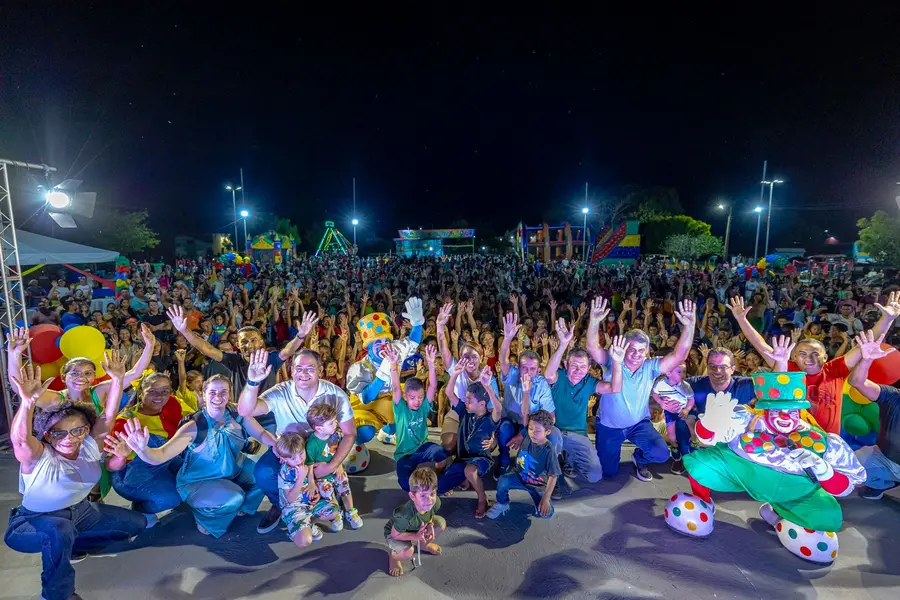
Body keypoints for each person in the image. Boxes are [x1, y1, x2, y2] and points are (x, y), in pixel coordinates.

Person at [5, 362, 145, 600]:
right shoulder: (39, 456)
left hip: (81, 511)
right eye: (59, 433)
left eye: (77, 431)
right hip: (33, 522)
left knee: (136, 523)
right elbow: (20, 441)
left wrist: (118, 381)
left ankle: (73, 545)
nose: (69, 439)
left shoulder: (90, 445)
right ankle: (56, 594)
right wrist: (27, 403)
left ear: (86, 429)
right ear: (48, 435)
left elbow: (109, 417)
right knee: (59, 530)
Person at [111, 375, 275, 537]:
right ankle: (205, 520)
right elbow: (160, 455)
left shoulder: (237, 413)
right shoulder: (194, 427)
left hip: (231, 467)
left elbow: (261, 433)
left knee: (262, 474)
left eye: (223, 392)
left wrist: (279, 446)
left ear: (230, 394)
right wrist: (141, 449)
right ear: (203, 394)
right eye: (212, 392)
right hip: (201, 478)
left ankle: (242, 508)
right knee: (234, 497)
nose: (218, 397)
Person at [727, 292, 900, 435]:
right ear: (793, 356)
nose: (809, 357)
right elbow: (761, 346)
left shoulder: (835, 369)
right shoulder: (787, 367)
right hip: (792, 440)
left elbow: (867, 344)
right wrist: (742, 320)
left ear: (825, 358)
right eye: (802, 353)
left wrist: (887, 319)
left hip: (826, 442)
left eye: (815, 353)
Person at [238, 349, 356, 534]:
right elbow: (245, 411)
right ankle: (281, 504)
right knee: (263, 472)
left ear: (320, 370)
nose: (303, 373)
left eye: (310, 368)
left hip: (321, 448)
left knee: (330, 485)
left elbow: (349, 433)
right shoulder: (280, 392)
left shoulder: (335, 394)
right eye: (299, 368)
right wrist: (253, 382)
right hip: (291, 448)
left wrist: (333, 464)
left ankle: (321, 503)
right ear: (292, 370)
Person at [586, 296, 697, 481]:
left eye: (641, 350)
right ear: (624, 348)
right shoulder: (611, 360)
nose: (637, 354)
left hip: (638, 424)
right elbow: (591, 346)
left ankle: (640, 458)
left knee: (661, 454)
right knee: (608, 473)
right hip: (610, 427)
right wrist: (595, 320)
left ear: (647, 351)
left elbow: (679, 356)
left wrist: (690, 326)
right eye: (632, 349)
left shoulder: (650, 366)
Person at [543, 313, 626, 484]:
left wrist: (617, 362)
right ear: (566, 365)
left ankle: (569, 460)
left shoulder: (589, 382)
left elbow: (615, 388)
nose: (578, 370)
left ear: (588, 368)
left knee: (595, 476)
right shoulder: (560, 376)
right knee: (552, 444)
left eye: (582, 367)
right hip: (554, 430)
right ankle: (555, 478)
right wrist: (563, 345)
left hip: (577, 434)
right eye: (573, 365)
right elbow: (548, 374)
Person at [107, 372, 196, 524]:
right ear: (141, 393)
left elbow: (197, 418)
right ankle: (141, 510)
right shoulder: (125, 422)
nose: (159, 396)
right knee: (171, 499)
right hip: (129, 474)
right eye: (152, 391)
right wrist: (121, 456)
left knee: (197, 477)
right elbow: (110, 466)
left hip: (165, 460)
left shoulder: (173, 403)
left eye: (165, 391)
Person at [497, 312, 561, 477]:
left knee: (552, 434)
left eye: (532, 369)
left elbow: (550, 418)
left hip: (531, 426)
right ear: (517, 368)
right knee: (504, 429)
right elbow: (503, 361)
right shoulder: (512, 376)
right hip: (511, 421)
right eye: (524, 367)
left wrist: (524, 433)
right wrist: (507, 339)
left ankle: (544, 467)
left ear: (539, 371)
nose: (528, 372)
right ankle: (504, 461)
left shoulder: (542, 384)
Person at [439, 362, 503, 517]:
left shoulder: (489, 419)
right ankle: (465, 478)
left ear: (481, 404)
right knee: (440, 487)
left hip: (480, 460)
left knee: (470, 470)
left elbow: (498, 409)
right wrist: (454, 374)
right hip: (462, 459)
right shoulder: (464, 412)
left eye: (469, 400)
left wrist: (488, 387)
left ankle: (482, 498)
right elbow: (449, 393)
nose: (465, 402)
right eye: (466, 399)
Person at [435, 302, 500, 454]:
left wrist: (491, 434)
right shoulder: (457, 370)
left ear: (481, 357)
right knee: (448, 446)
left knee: (487, 445)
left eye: (474, 356)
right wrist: (439, 327)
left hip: (479, 418)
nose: (470, 360)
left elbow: (492, 409)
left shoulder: (488, 378)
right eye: (466, 356)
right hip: (458, 414)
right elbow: (444, 351)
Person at [847, 330, 900, 500]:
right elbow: (857, 382)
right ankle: (883, 483)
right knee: (849, 466)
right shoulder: (892, 396)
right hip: (885, 458)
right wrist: (866, 360)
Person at [388, 344, 448, 491]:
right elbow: (396, 387)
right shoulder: (400, 408)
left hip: (422, 447)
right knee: (404, 484)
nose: (417, 401)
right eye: (413, 398)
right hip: (405, 454)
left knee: (441, 453)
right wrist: (393, 365)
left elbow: (433, 386)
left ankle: (439, 479)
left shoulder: (423, 406)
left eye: (420, 397)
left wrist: (431, 364)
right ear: (405, 396)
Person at [486, 409, 562, 520]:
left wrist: (546, 498)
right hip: (519, 476)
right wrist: (526, 394)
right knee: (502, 480)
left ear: (548, 431)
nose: (532, 433)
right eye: (531, 429)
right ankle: (503, 503)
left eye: (537, 431)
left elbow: (553, 475)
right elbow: (524, 412)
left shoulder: (548, 450)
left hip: (537, 485)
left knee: (546, 514)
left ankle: (543, 502)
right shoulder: (527, 433)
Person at [304, 403, 364, 531]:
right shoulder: (311, 444)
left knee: (344, 486)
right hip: (322, 477)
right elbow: (309, 465)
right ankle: (336, 514)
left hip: (336, 470)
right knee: (327, 494)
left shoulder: (336, 434)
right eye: (331, 423)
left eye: (335, 421)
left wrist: (339, 465)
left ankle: (350, 511)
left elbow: (339, 452)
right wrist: (311, 482)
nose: (336, 424)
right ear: (319, 428)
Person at [275, 432, 340, 547]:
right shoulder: (285, 472)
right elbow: (290, 499)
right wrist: (300, 478)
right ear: (284, 459)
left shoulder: (306, 462)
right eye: (293, 458)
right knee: (304, 542)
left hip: (309, 503)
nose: (299, 459)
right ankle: (298, 529)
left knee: (334, 511)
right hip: (294, 509)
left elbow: (311, 484)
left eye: (301, 454)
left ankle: (307, 524)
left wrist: (316, 496)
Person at [385, 466, 446, 577]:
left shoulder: (436, 502)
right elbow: (395, 534)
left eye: (432, 493)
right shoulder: (405, 516)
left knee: (441, 524)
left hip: (417, 527)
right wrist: (415, 536)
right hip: (397, 532)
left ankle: (423, 545)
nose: (429, 500)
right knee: (407, 552)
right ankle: (393, 556)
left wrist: (430, 525)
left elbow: (430, 515)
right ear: (412, 496)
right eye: (423, 495)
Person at [650, 362, 694, 459]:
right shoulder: (660, 384)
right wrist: (661, 402)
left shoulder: (686, 386)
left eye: (684, 372)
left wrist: (687, 409)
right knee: (671, 433)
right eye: (679, 372)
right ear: (669, 373)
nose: (683, 374)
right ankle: (674, 446)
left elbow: (691, 400)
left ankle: (691, 446)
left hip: (682, 411)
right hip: (669, 412)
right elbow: (655, 393)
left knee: (686, 428)